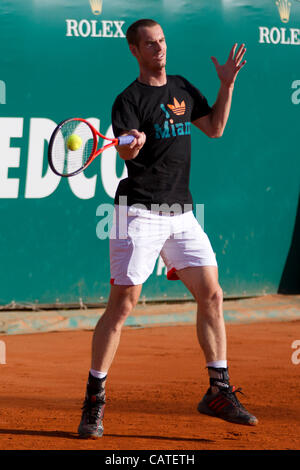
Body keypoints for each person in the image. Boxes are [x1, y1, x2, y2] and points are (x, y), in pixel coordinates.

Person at [78, 18, 258, 439]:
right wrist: (131, 143)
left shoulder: (180, 86)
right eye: (149, 44)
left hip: (180, 212)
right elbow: (127, 146)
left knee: (212, 293)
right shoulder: (128, 100)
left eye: (161, 41)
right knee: (123, 306)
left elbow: (214, 128)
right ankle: (93, 399)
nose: (159, 48)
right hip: (138, 212)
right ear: (134, 50)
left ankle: (218, 390)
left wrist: (226, 85)